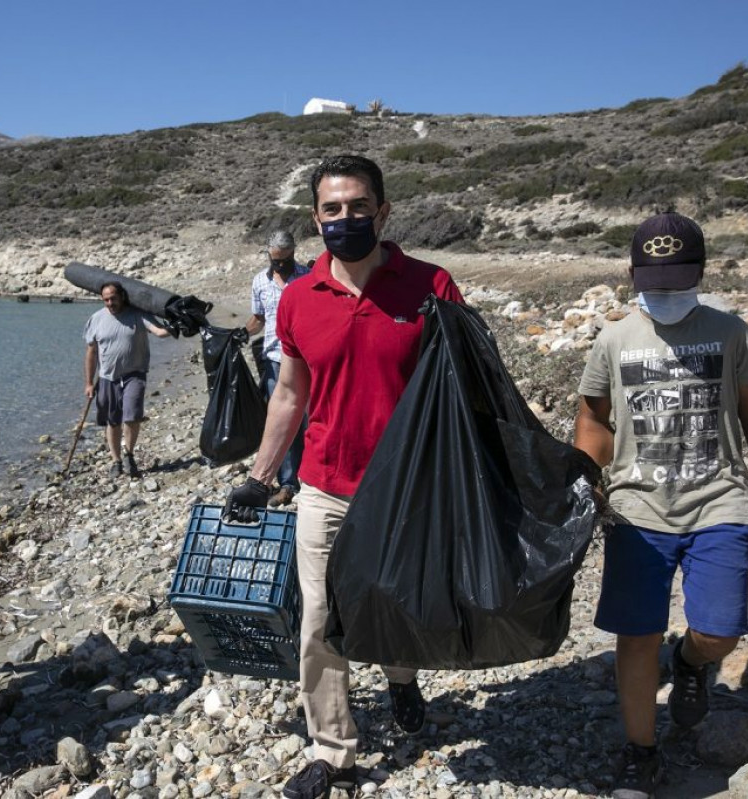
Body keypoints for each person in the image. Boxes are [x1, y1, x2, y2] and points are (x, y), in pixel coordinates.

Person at [224, 154, 466, 799]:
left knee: (393, 603)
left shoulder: (431, 286)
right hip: (325, 484)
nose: (346, 218)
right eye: (333, 209)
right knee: (318, 619)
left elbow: (465, 390)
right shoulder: (300, 298)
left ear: (383, 212)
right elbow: (288, 393)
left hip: (405, 489)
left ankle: (402, 678)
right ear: (316, 218)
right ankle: (334, 751)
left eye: (359, 206)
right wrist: (262, 473)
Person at [573, 213, 748, 799]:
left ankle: (692, 662)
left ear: (699, 271)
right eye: (654, 278)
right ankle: (641, 752)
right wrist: (586, 484)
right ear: (634, 274)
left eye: (677, 277)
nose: (665, 291)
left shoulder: (728, 332)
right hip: (636, 509)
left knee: (720, 629)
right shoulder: (613, 339)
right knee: (636, 633)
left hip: (719, 500)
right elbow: (594, 418)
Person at [242, 229, 311, 506]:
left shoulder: (308, 277)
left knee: (311, 419)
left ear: (293, 254)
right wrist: (241, 333)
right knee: (283, 422)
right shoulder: (260, 281)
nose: (280, 267)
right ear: (268, 257)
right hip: (274, 359)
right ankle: (287, 483)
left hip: (306, 359)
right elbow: (258, 318)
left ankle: (312, 476)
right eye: (275, 261)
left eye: (285, 261)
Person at [83, 281, 171, 478]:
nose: (110, 303)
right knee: (112, 421)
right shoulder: (96, 319)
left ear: (122, 296)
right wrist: (89, 383)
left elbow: (160, 332)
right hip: (107, 377)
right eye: (106, 299)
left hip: (134, 374)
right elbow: (91, 352)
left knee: (131, 415)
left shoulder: (137, 314)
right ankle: (116, 461)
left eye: (113, 298)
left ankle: (129, 454)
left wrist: (176, 325)